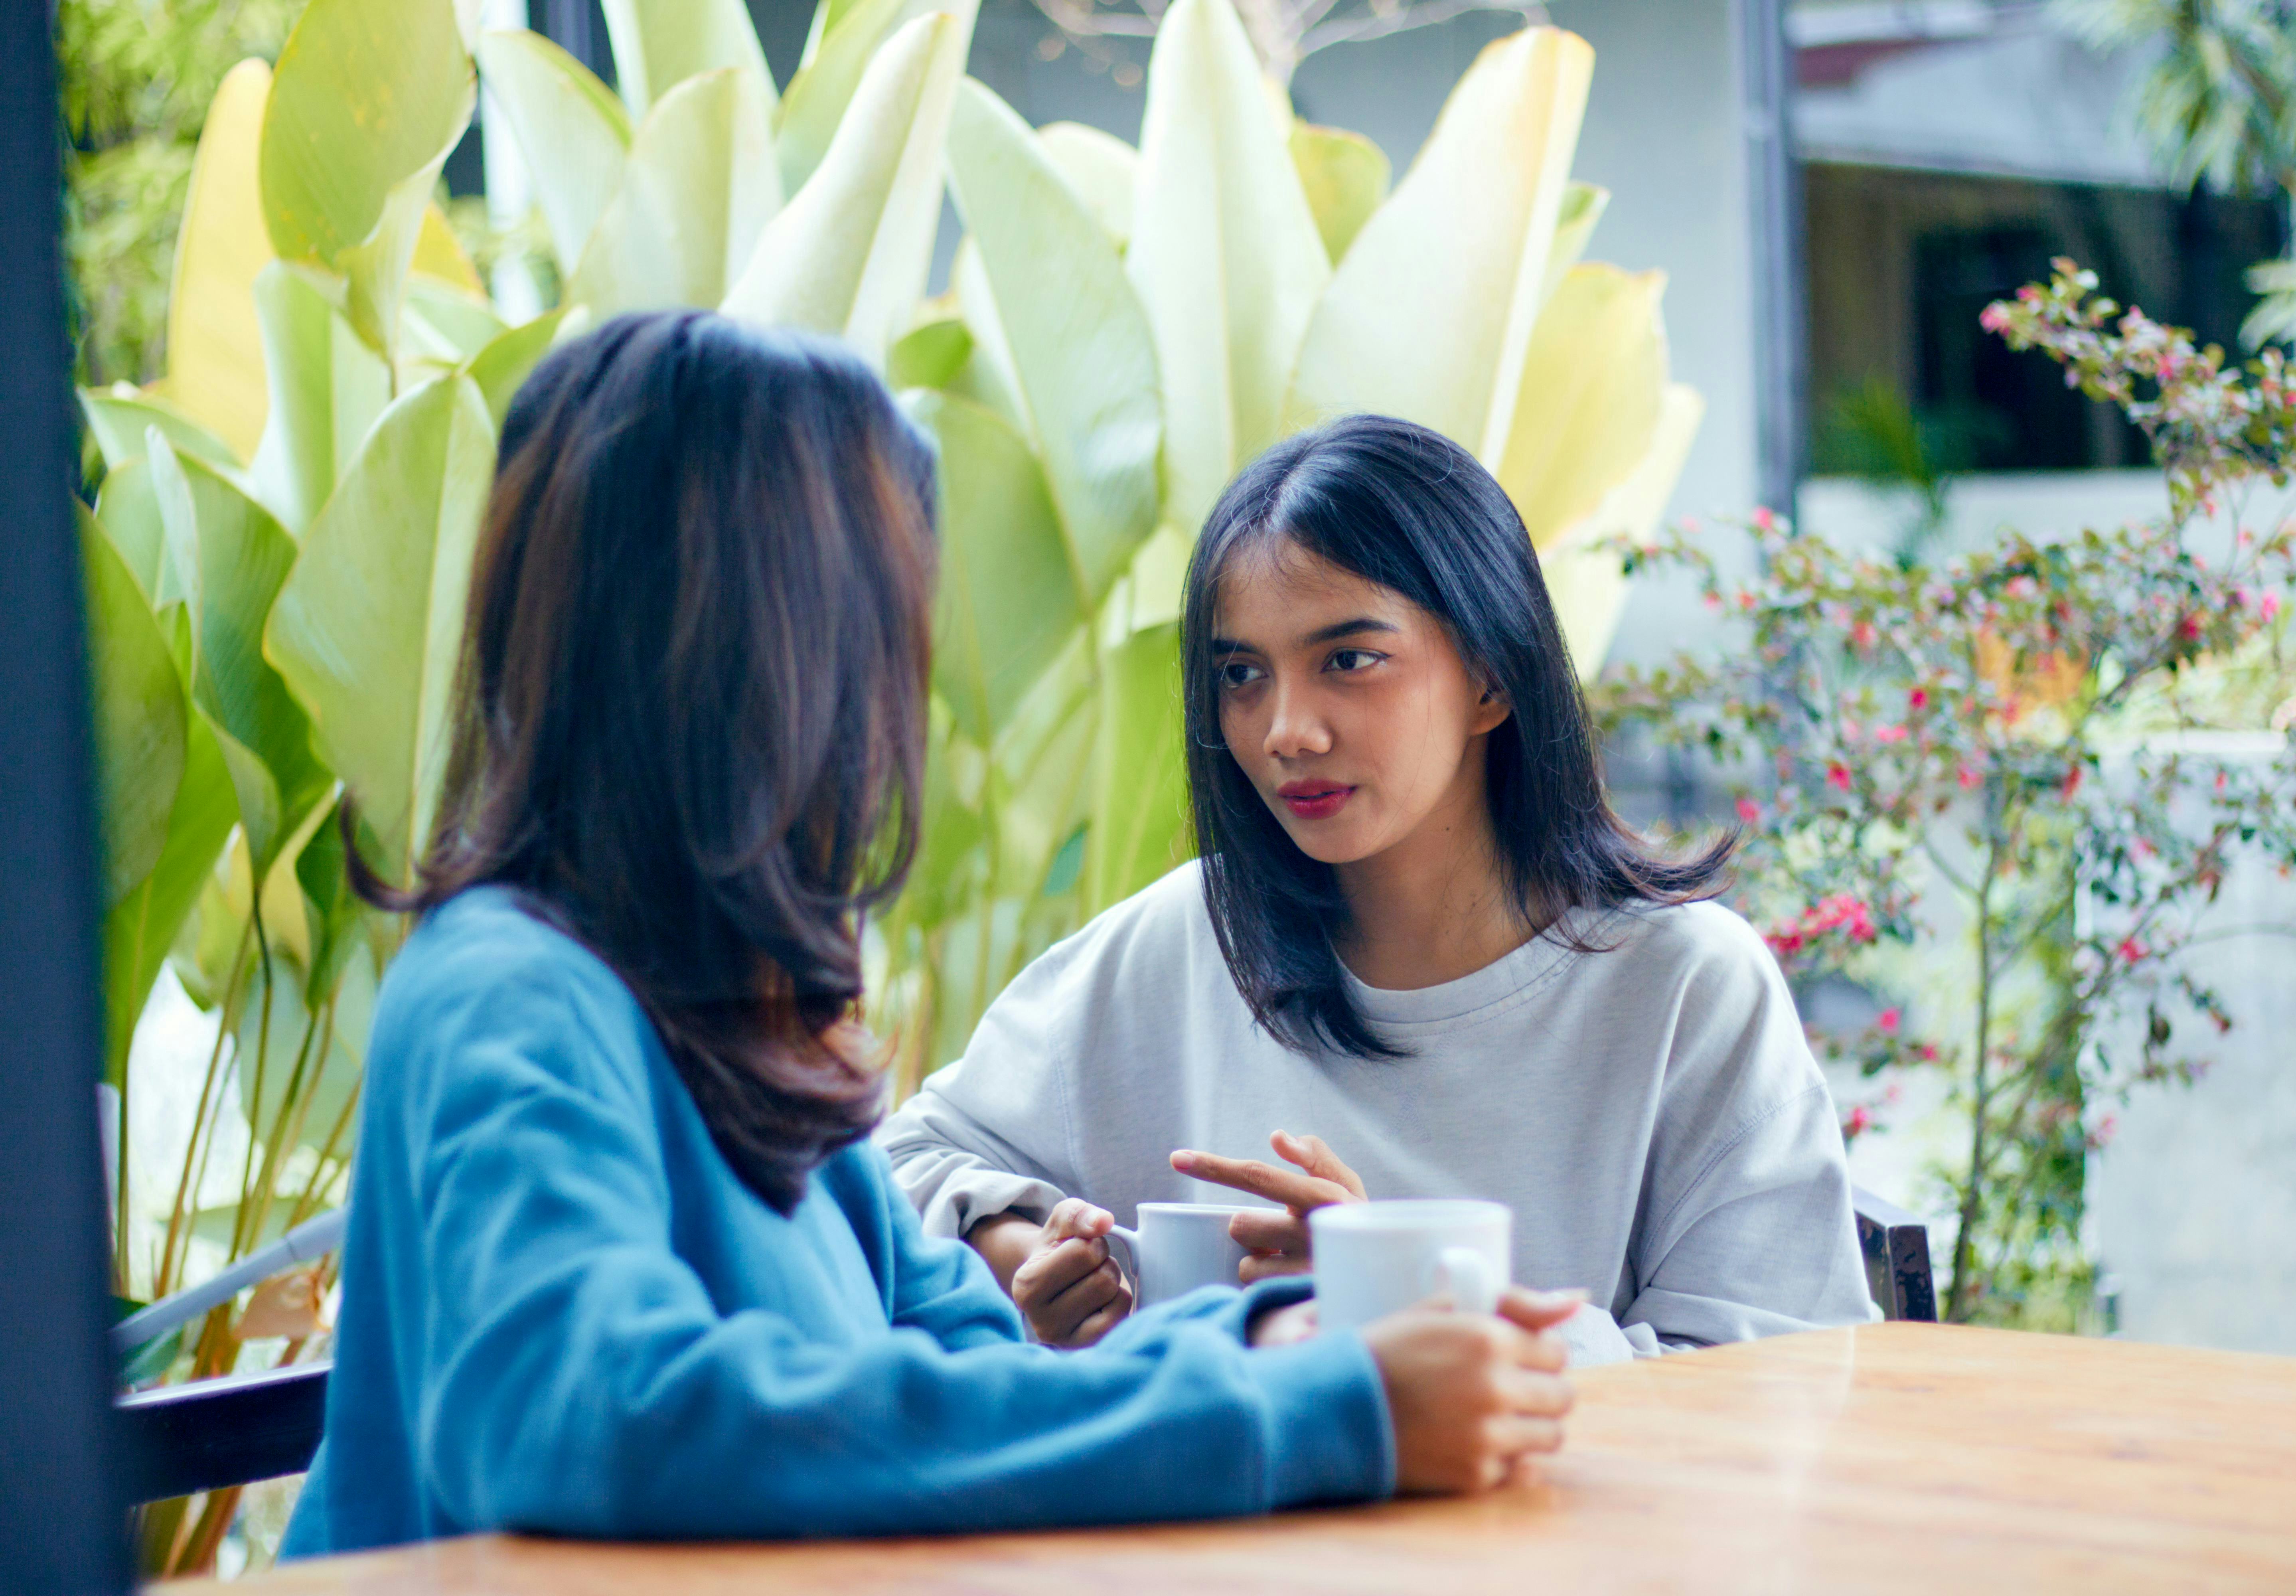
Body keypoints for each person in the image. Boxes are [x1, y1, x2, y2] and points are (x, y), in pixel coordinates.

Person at [282, 317, 1580, 1555]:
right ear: (767, 650)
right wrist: (1319, 1413)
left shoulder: (743, 1018)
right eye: (884, 617)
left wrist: (1284, 1344)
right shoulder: (512, 994)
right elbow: (591, 1420)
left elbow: (971, 1366)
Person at [878, 414, 1875, 1357]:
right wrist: (1023, 1251)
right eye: (1241, 675)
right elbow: (893, 1167)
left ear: (1492, 674)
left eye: (1349, 659)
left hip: (1560, 1540)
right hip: (1222, 1525)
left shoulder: (1683, 988)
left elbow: (1778, 1381)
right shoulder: (1186, 939)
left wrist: (1399, 1293)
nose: (1286, 730)